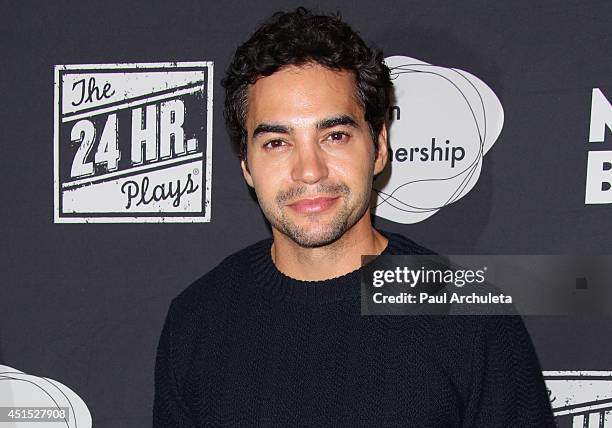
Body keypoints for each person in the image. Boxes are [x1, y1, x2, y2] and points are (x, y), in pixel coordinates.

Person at [153, 7, 555, 427]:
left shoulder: (469, 318)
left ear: (378, 146)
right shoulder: (198, 320)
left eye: (335, 136)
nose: (309, 170)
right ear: (246, 165)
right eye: (276, 142)